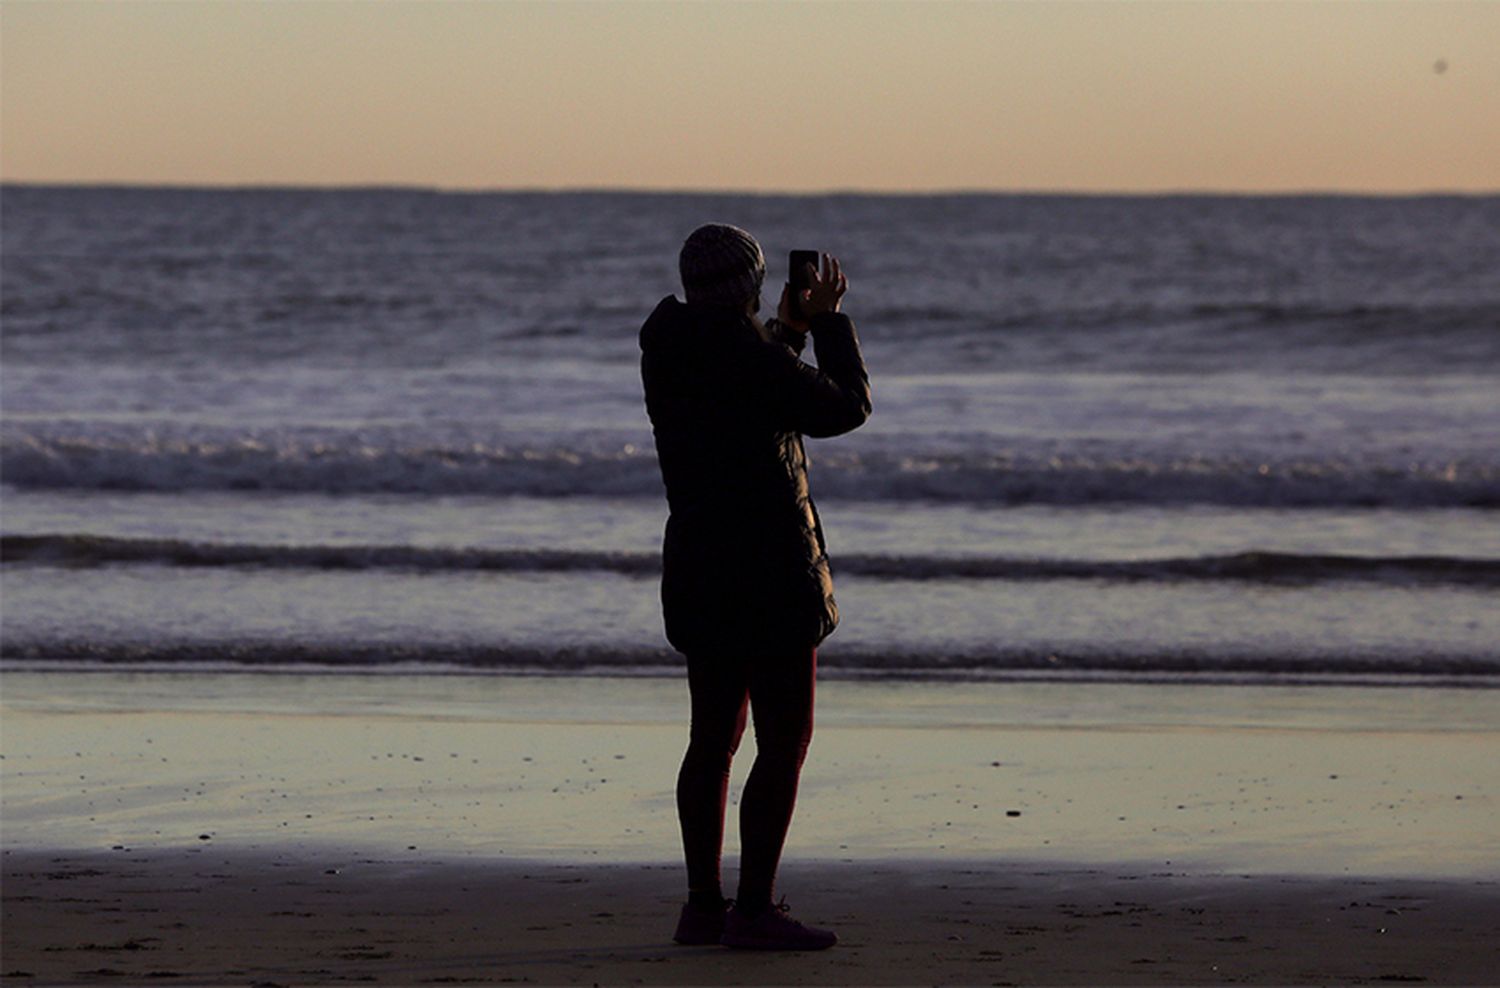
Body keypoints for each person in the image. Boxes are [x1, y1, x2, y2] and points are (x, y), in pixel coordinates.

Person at [639, 224, 871, 951]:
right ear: (751, 287)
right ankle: (755, 909)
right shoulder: (749, 359)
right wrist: (830, 322)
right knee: (782, 740)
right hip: (769, 571)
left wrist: (789, 333)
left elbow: (754, 391)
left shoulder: (672, 350)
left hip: (703, 567)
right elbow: (845, 406)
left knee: (712, 741)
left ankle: (704, 906)